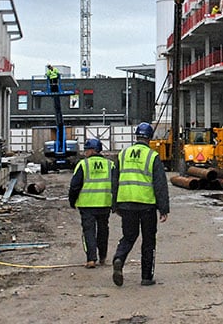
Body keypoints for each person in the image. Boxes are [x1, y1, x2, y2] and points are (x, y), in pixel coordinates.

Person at [111, 122, 170, 287]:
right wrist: (163, 208)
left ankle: (119, 258)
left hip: (126, 203)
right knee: (149, 240)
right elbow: (160, 184)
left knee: (129, 236)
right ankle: (146, 277)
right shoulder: (152, 156)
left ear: (136, 136)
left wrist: (114, 204)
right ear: (150, 138)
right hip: (146, 205)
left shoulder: (123, 154)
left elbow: (114, 180)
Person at [69, 138, 114, 269]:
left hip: (87, 204)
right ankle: (103, 257)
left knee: (88, 231)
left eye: (86, 150)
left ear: (92, 150)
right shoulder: (110, 165)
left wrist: (72, 201)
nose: (85, 153)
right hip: (105, 203)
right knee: (103, 230)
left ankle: (91, 259)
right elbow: (115, 184)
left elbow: (75, 186)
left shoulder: (83, 165)